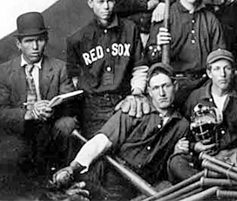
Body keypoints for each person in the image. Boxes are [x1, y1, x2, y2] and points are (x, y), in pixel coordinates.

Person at [53, 63, 189, 200]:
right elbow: (101, 141)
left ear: (175, 86)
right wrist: (73, 167)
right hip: (114, 181)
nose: (162, 93)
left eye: (166, 86)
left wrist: (178, 151)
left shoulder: (182, 125)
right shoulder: (134, 109)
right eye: (156, 88)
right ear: (149, 91)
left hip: (147, 185)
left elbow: (174, 164)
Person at [0, 12, 78, 190]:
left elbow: (70, 102)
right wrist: (29, 113)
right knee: (7, 155)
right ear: (18, 44)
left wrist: (51, 109)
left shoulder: (60, 68)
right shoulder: (4, 71)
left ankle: (61, 182)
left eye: (39, 40)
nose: (35, 47)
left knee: (68, 125)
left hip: (52, 128)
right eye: (29, 41)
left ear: (46, 39)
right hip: (21, 131)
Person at [66, 0, 148, 137]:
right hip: (93, 108)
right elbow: (74, 78)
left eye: (110, 1)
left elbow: (140, 68)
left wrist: (137, 93)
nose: (106, 7)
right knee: (98, 154)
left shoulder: (130, 29)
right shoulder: (77, 39)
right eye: (100, 2)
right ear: (90, 3)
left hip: (125, 101)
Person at [167, 49, 237, 182]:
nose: (222, 74)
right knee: (176, 162)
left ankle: (211, 187)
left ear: (233, 72)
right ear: (209, 73)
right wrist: (195, 146)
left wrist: (234, 154)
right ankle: (209, 186)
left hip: (232, 161)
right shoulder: (195, 97)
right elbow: (183, 134)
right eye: (216, 69)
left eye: (227, 68)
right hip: (202, 160)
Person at [147, 0, 225, 106]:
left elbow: (219, 56)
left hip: (204, 84)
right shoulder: (166, 16)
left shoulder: (210, 18)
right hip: (176, 85)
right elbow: (150, 57)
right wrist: (158, 46)